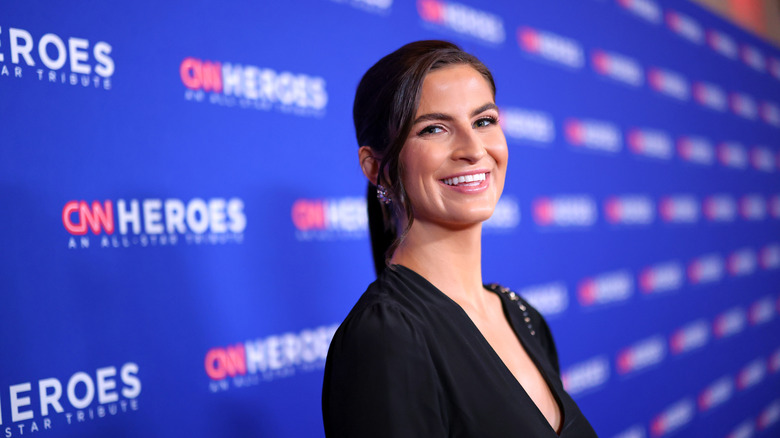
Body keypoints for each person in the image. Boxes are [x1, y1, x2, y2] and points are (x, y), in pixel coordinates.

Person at [322, 40, 599, 438]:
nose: (473, 149)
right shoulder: (385, 336)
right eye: (434, 128)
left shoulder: (522, 315)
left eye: (484, 121)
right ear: (375, 166)